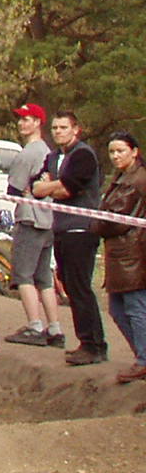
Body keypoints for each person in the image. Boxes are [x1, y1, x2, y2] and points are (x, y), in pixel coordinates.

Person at [34, 110, 107, 365]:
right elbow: (36, 188)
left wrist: (50, 186)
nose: (58, 132)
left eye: (63, 127)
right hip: (61, 228)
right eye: (55, 128)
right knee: (68, 284)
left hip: (82, 229)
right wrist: (50, 186)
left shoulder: (83, 155)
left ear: (76, 129)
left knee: (80, 286)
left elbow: (67, 189)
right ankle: (86, 341)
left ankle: (94, 344)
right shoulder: (53, 156)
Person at [2, 103, 61, 348]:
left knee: (23, 275)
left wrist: (25, 191)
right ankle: (55, 328)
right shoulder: (48, 151)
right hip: (48, 219)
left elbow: (13, 190)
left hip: (30, 218)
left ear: (38, 122)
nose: (21, 123)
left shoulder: (28, 153)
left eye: (27, 119)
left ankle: (35, 326)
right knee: (44, 277)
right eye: (20, 119)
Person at [93, 131, 146, 385]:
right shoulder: (123, 177)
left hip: (133, 254)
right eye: (112, 152)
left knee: (135, 308)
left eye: (120, 151)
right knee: (118, 309)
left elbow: (114, 220)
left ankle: (144, 361)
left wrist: (95, 224)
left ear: (134, 152)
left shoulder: (137, 179)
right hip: (122, 254)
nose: (115, 156)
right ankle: (142, 356)